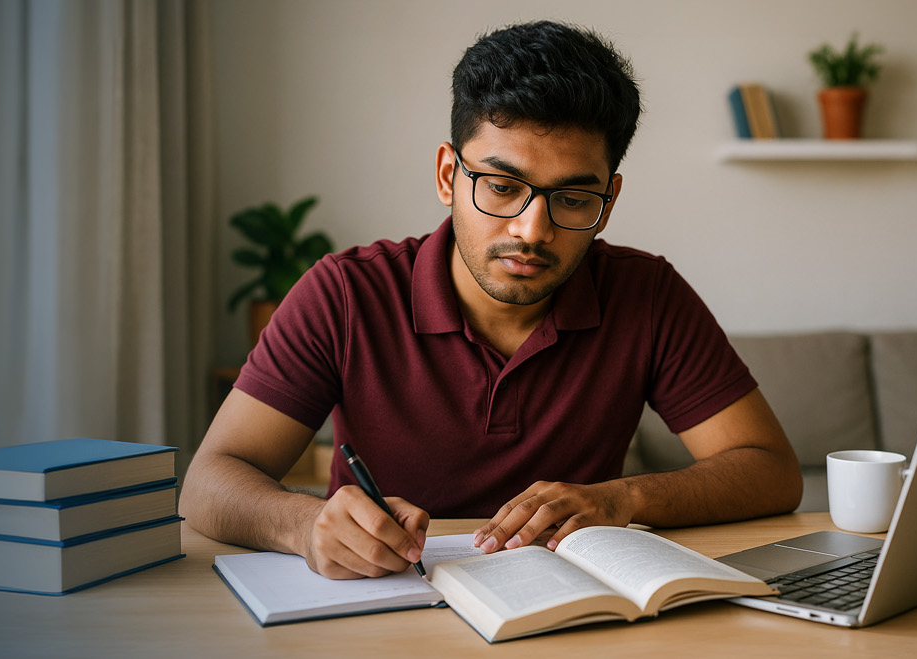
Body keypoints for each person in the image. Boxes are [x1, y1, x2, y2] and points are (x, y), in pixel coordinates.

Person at [179, 21, 802, 580]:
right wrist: (303, 525)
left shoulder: (648, 293)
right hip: (383, 607)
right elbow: (208, 483)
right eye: (503, 187)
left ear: (608, 201)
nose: (533, 229)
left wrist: (622, 498)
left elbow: (770, 470)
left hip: (573, 617)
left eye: (574, 199)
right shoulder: (346, 292)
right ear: (449, 174)